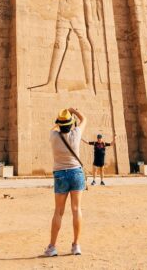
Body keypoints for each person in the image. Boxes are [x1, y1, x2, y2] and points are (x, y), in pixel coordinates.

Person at [44, 108, 86, 257]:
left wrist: (59, 120)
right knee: (76, 209)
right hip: (76, 172)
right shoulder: (76, 134)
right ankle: (76, 245)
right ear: (71, 123)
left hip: (60, 174)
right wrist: (73, 111)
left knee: (58, 211)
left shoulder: (54, 136)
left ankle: (52, 247)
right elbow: (84, 119)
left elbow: (53, 128)